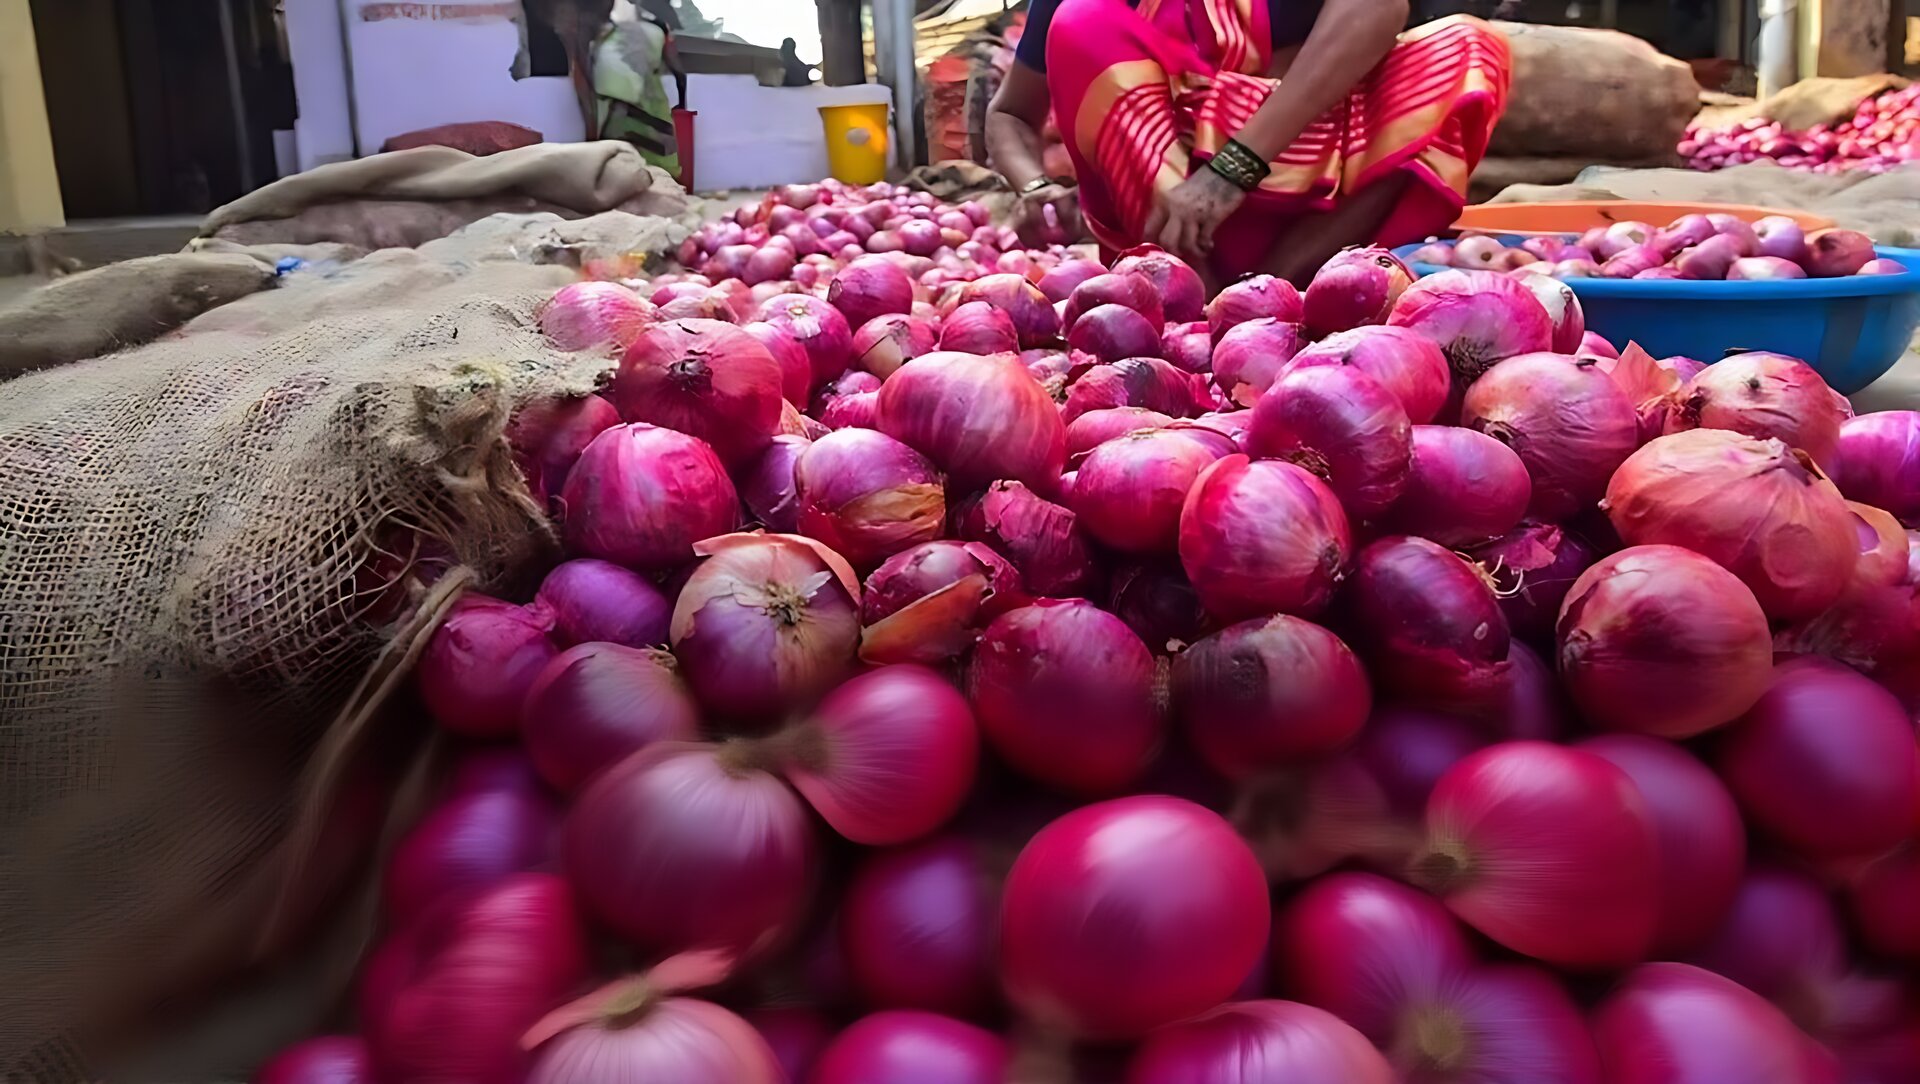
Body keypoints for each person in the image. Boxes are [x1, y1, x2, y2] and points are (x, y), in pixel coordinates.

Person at [986, 0, 1510, 285]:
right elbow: (1009, 113)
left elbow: (1376, 9)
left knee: (1466, 48)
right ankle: (1194, 296)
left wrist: (1234, 167)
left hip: (1314, 212)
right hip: (1168, 215)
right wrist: (1034, 185)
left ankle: (1270, 293)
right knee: (1082, 19)